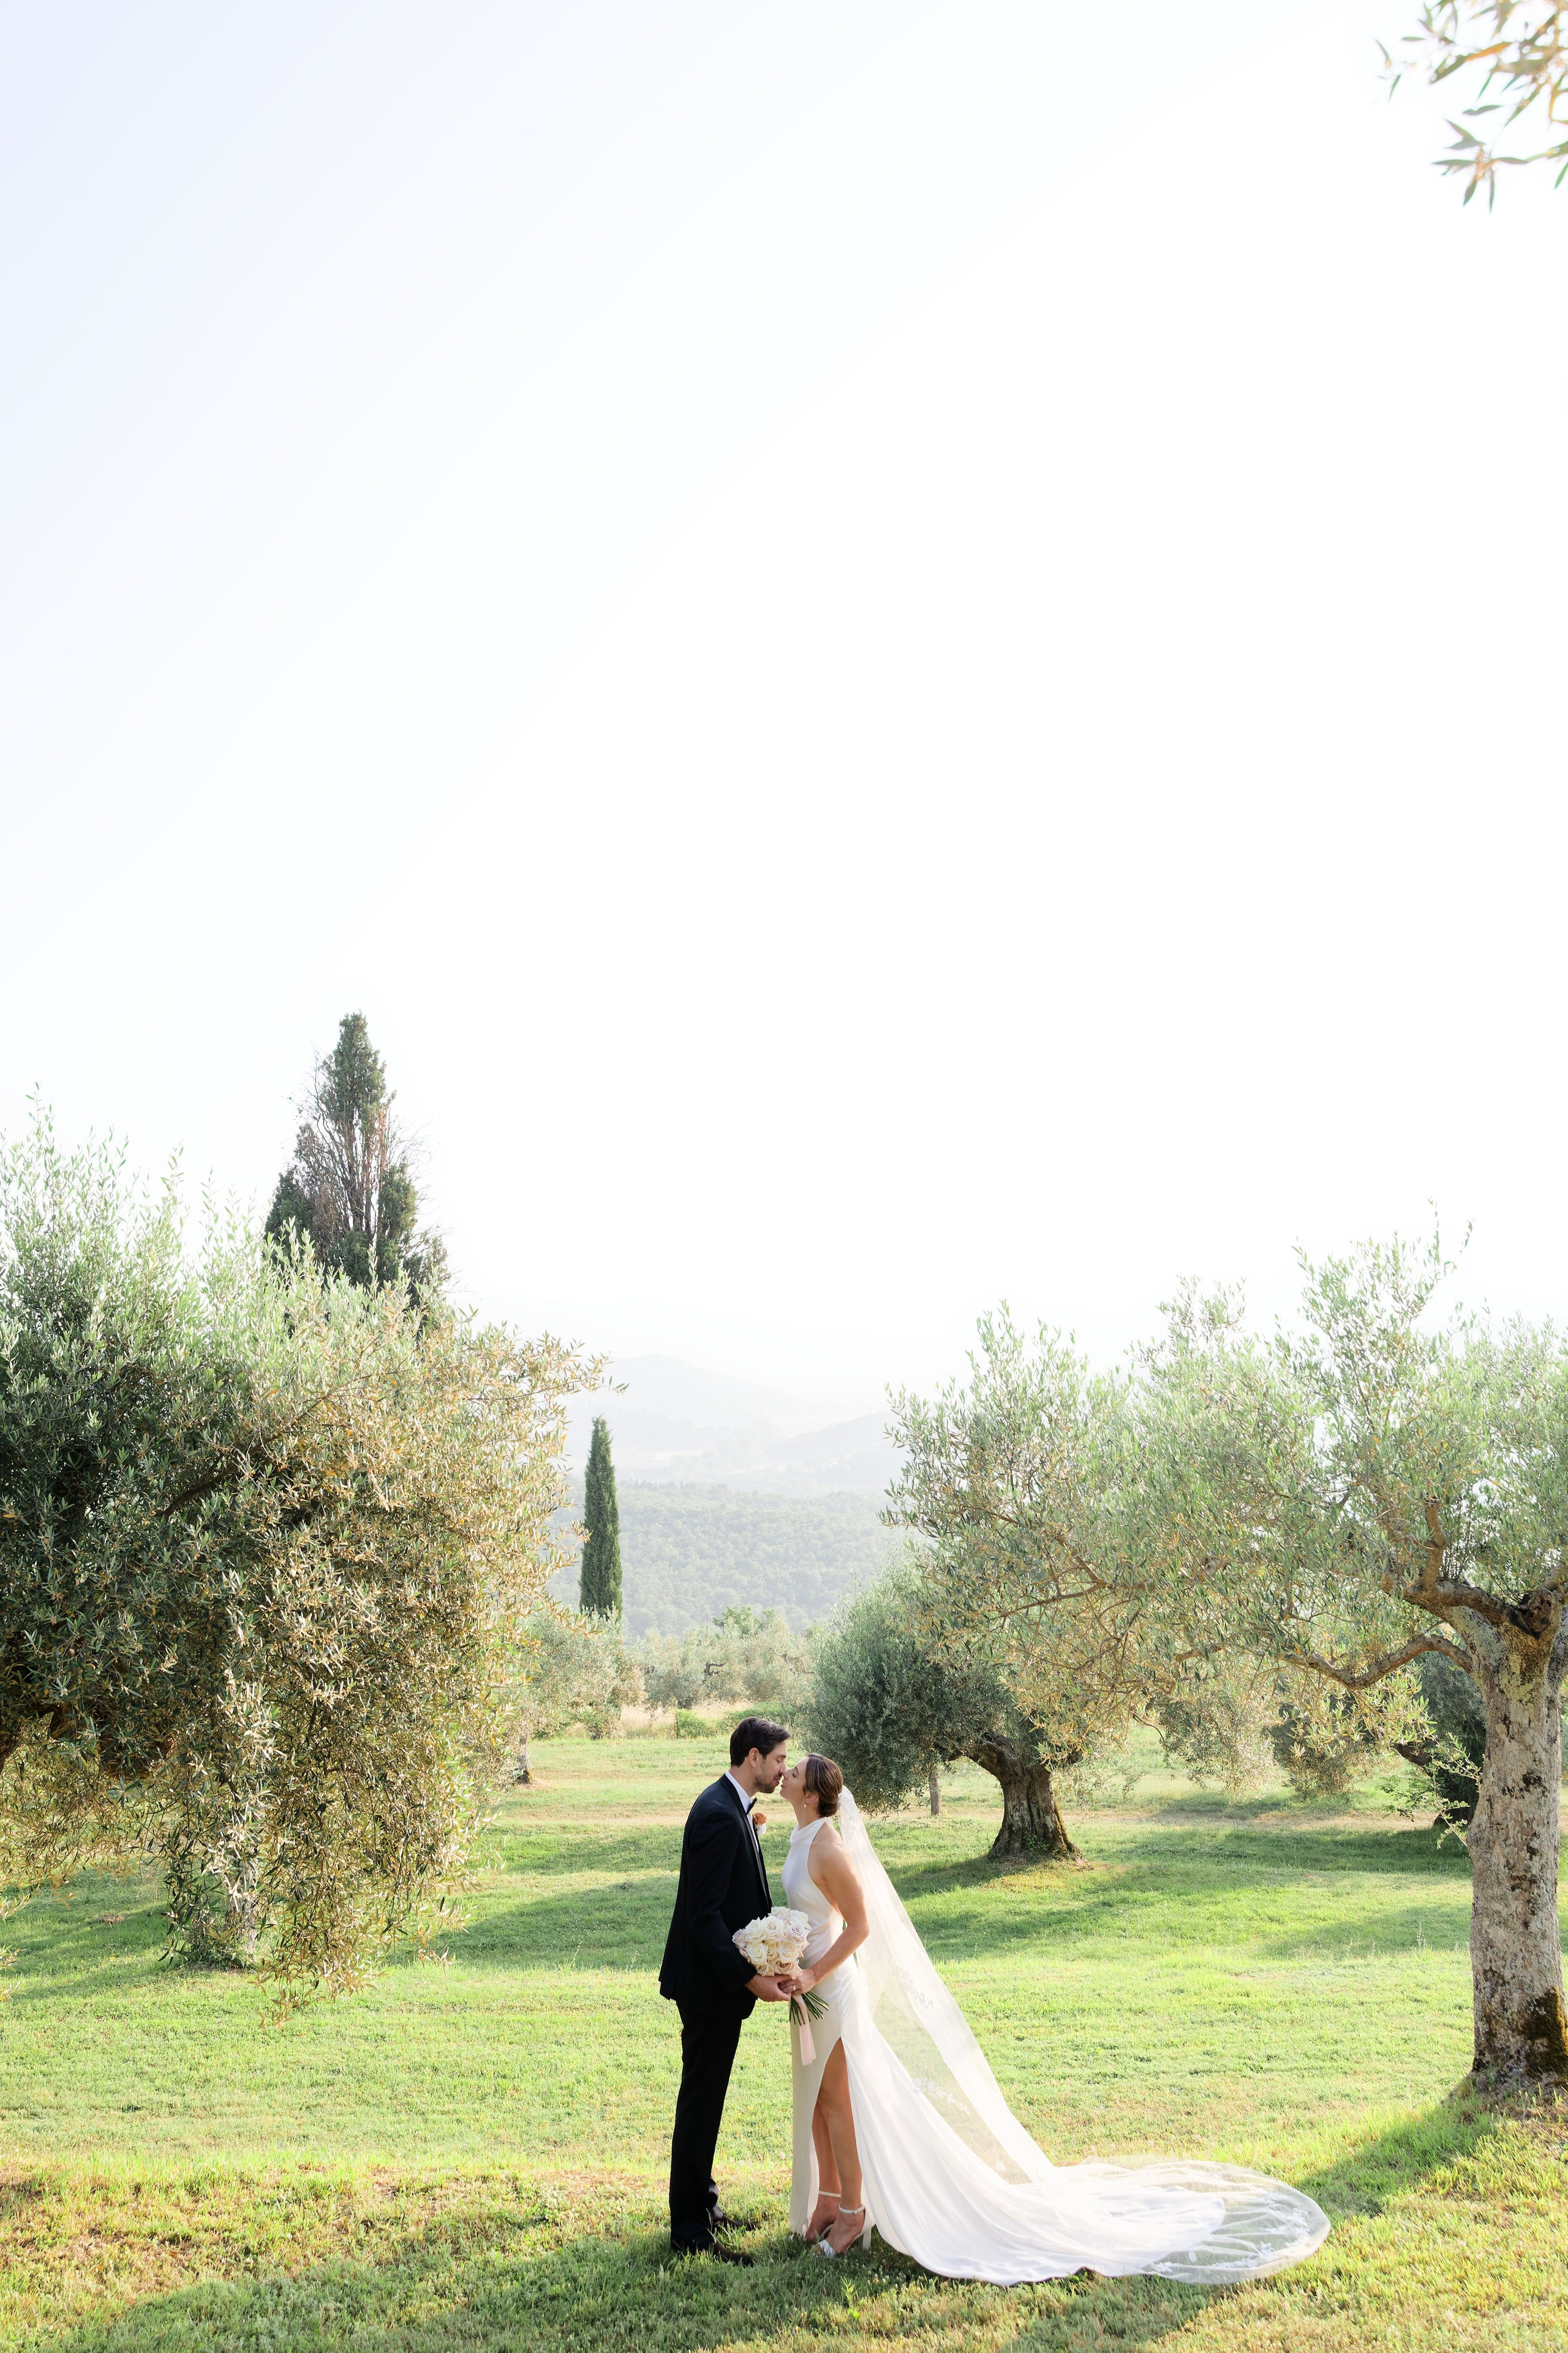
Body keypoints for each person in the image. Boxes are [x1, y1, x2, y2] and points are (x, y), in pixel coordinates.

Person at [777, 1749, 1332, 2284]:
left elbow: (860, 1926)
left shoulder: (830, 1848)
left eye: (795, 1769)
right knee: (823, 2104)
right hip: (810, 1990)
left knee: (841, 2104)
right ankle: (829, 2197)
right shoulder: (800, 1836)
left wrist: (811, 1971)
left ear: (814, 1792)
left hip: (832, 1989)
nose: (787, 1771)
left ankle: (853, 2210)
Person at [658, 1714, 793, 2263]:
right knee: (699, 2104)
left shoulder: (730, 1806)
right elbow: (704, 1917)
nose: (785, 1770)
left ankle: (705, 2204)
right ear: (754, 1757)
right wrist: (753, 1979)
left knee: (708, 2102)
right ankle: (689, 2230)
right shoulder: (717, 1812)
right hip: (710, 1986)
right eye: (780, 1759)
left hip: (717, 1986)